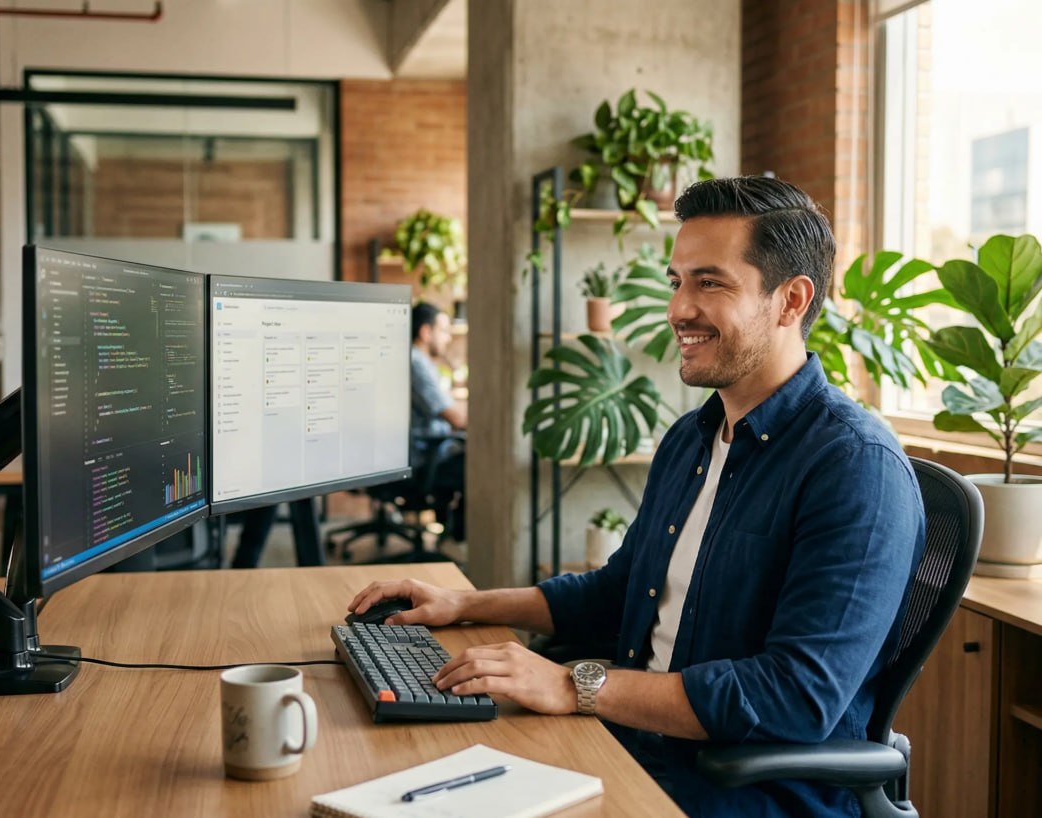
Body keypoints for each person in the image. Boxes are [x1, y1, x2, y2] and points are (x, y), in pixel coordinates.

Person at [348, 177, 925, 818]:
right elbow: (619, 591)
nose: (678, 308)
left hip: (739, 792)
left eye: (710, 283)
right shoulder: (692, 438)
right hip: (629, 745)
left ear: (790, 301)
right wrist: (462, 603)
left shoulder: (853, 467)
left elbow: (795, 697)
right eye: (677, 281)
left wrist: (575, 684)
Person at [410, 302, 466, 541]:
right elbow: (456, 418)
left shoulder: (422, 361)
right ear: (426, 332)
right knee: (480, 467)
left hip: (427, 448)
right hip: (423, 457)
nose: (448, 338)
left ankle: (451, 533)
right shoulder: (416, 363)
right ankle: (458, 540)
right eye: (443, 330)